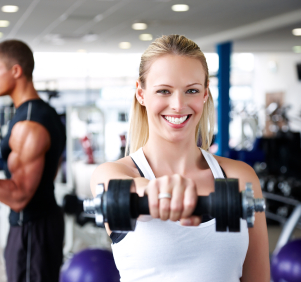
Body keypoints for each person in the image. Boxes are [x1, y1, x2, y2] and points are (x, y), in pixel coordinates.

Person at [90, 35, 270, 281]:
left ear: (205, 94)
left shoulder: (239, 177)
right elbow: (126, 190)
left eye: (191, 90)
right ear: (141, 94)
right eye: (164, 91)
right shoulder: (113, 174)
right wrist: (162, 190)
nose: (178, 104)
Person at [0, 40, 66, 282]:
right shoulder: (41, 113)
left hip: (32, 228)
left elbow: (19, 197)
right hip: (39, 223)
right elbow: (49, 173)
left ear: (16, 71)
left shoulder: (29, 125)